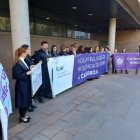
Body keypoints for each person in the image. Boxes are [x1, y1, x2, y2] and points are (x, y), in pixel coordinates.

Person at [12, 47, 32, 123]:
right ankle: (22, 117)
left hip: (25, 83)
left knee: (26, 99)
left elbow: (25, 69)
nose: (27, 53)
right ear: (23, 53)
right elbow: (16, 75)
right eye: (26, 52)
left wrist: (30, 68)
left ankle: (24, 114)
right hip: (21, 85)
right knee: (23, 101)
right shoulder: (18, 63)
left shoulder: (23, 60)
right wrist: (26, 73)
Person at [21, 44, 37, 112]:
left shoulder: (28, 56)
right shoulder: (23, 58)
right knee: (27, 92)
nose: (29, 50)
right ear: (24, 50)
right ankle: (27, 105)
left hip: (30, 76)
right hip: (27, 77)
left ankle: (30, 103)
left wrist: (33, 65)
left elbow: (31, 63)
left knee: (30, 91)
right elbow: (26, 67)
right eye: (28, 49)